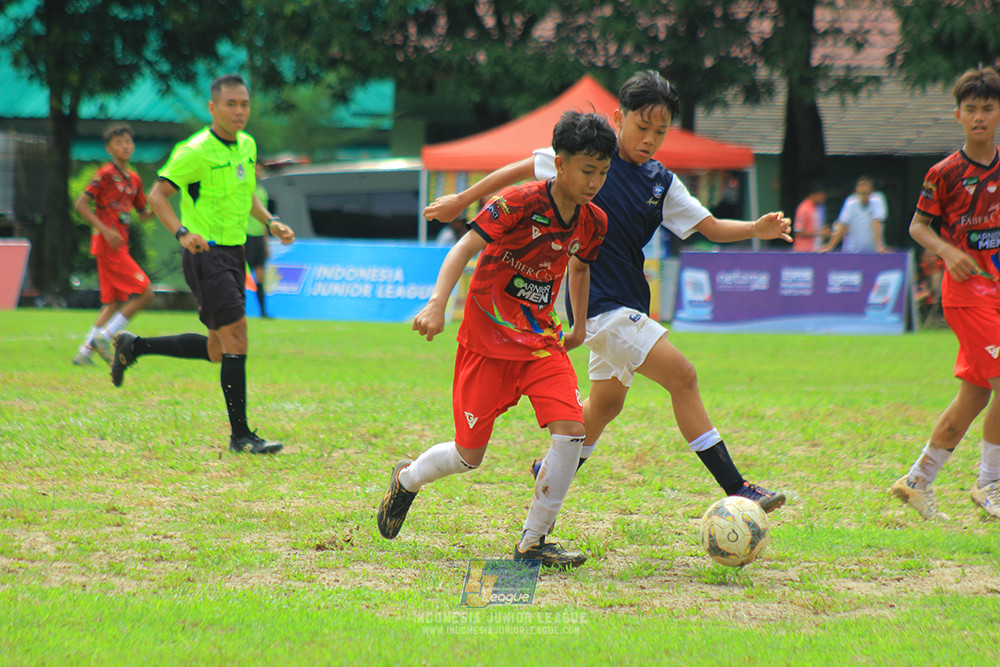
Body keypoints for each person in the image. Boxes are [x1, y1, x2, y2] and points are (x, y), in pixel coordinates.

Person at [423, 71, 791, 531]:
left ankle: (551, 470)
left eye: (661, 132)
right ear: (619, 117)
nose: (650, 140)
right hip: (601, 307)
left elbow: (711, 227)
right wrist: (463, 198)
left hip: (625, 303)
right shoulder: (587, 156)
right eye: (642, 127)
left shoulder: (661, 182)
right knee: (684, 376)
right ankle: (737, 487)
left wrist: (755, 229)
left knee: (605, 405)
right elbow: (521, 168)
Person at [377, 111, 616, 568]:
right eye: (587, 171)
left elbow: (581, 267)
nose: (594, 182)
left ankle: (534, 541)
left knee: (572, 431)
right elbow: (463, 248)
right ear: (559, 163)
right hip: (486, 344)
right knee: (469, 457)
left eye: (603, 173)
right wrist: (437, 304)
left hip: (541, 343)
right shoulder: (517, 203)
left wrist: (579, 324)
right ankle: (407, 480)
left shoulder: (593, 221)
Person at [110, 74, 296, 455]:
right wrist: (181, 232)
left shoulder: (247, 145)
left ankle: (134, 346)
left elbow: (248, 197)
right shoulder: (193, 151)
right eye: (231, 104)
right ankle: (241, 436)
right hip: (204, 255)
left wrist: (271, 222)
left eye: (244, 104)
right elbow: (158, 196)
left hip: (235, 254)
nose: (239, 111)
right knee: (238, 338)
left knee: (218, 349)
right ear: (213, 108)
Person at [890, 67, 1000, 520]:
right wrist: (945, 251)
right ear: (957, 116)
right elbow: (917, 226)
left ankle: (916, 480)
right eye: (970, 110)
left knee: (975, 395)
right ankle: (990, 483)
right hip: (965, 294)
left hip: (995, 290)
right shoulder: (945, 173)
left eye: (987, 109)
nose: (979, 117)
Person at [72, 123, 156, 366]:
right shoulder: (105, 175)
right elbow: (80, 204)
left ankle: (84, 353)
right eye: (118, 143)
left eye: (128, 142)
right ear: (109, 148)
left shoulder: (135, 179)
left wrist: (160, 203)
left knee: (115, 302)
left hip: (120, 245)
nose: (125, 146)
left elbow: (143, 213)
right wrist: (105, 230)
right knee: (146, 293)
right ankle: (105, 337)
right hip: (109, 245)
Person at [820, 176, 888, 253]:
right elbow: (842, 226)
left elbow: (876, 223)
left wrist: (879, 247)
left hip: (873, 252)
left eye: (867, 194)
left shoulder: (878, 200)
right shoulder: (850, 202)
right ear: (856, 191)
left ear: (871, 192)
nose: (864, 196)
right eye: (862, 193)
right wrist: (830, 247)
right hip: (852, 251)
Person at [245, 162, 271, 318]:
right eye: (255, 169)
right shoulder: (244, 189)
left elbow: (265, 218)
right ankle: (238, 312)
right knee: (241, 276)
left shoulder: (262, 192)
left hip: (259, 238)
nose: (258, 172)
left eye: (260, 170)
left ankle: (263, 312)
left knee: (260, 276)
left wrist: (266, 241)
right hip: (245, 236)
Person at [792, 182, 828, 252]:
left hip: (818, 249)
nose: (823, 198)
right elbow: (798, 232)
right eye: (820, 195)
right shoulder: (803, 208)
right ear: (813, 195)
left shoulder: (822, 208)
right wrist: (819, 233)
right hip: (803, 251)